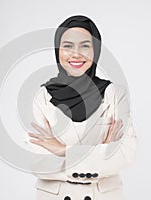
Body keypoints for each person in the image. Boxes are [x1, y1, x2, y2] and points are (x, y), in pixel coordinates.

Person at [24, 15, 138, 200]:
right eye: (68, 46)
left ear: (96, 50)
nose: (76, 54)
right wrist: (101, 153)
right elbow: (39, 163)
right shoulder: (42, 96)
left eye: (85, 45)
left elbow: (126, 154)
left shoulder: (114, 93)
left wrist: (63, 151)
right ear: (57, 50)